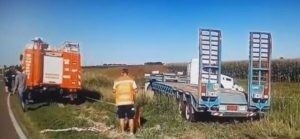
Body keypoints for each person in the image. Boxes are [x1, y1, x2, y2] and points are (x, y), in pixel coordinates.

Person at [113, 69, 138, 135]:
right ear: (127, 73)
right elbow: (136, 90)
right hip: (129, 102)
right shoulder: (131, 80)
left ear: (122, 73)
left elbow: (114, 91)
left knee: (121, 118)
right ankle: (131, 133)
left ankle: (122, 132)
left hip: (120, 102)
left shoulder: (117, 80)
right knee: (130, 118)